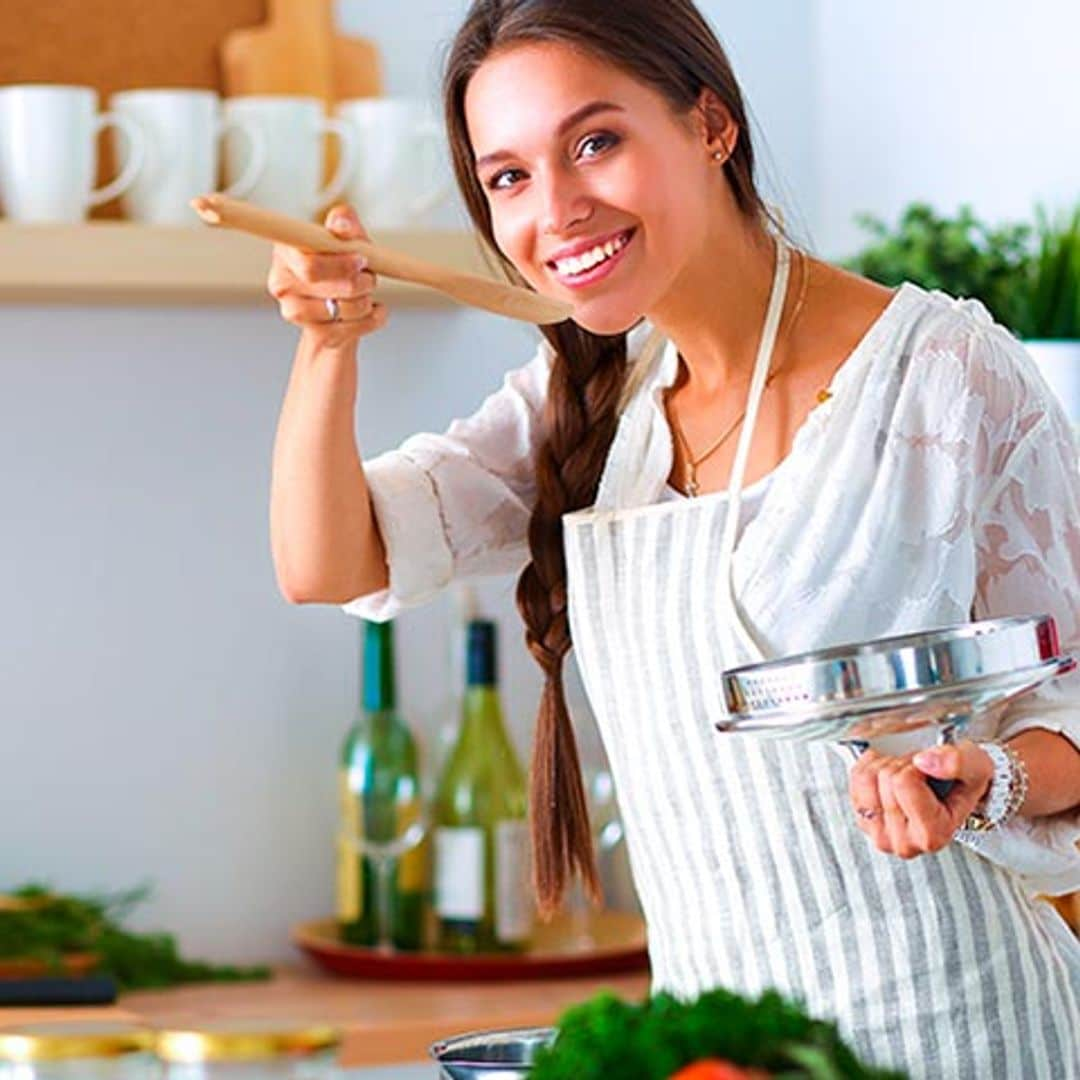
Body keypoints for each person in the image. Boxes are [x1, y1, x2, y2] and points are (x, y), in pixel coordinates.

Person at [266, 1, 1080, 1074]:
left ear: (710, 124)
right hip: (717, 1050)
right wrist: (327, 352)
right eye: (508, 176)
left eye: (594, 141)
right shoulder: (589, 400)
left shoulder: (943, 375)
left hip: (963, 1033)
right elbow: (327, 563)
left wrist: (987, 774)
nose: (555, 209)